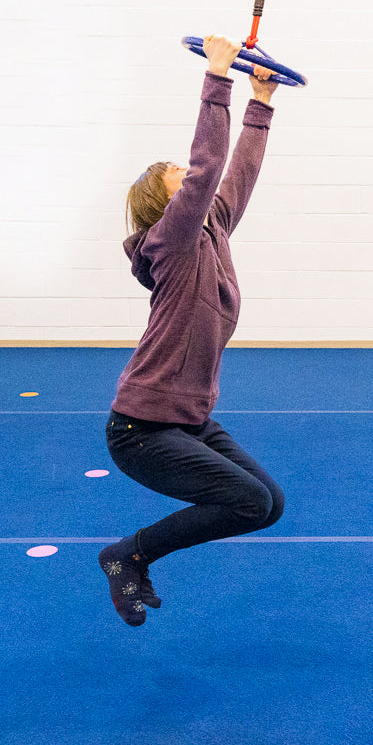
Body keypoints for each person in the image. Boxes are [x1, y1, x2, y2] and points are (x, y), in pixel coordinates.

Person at [99, 34, 285, 627]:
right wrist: (217, 78)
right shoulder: (173, 243)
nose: (196, 180)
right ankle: (127, 555)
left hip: (189, 420)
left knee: (268, 505)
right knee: (249, 500)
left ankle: (131, 552)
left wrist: (261, 102)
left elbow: (236, 178)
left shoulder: (212, 232)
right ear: (168, 202)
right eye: (181, 178)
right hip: (141, 430)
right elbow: (207, 169)